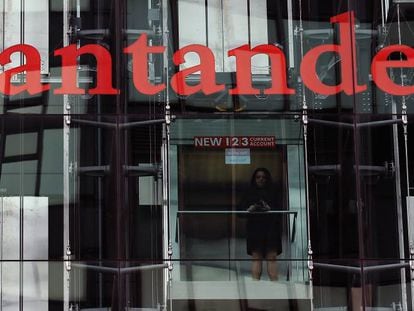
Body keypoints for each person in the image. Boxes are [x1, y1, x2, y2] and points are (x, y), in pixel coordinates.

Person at [239, 168, 282, 281]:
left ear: (267, 179)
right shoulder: (249, 192)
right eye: (258, 177)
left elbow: (281, 211)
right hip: (255, 229)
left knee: (271, 257)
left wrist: (270, 209)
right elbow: (240, 212)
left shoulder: (274, 192)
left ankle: (274, 287)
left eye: (263, 177)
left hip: (271, 229)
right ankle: (256, 288)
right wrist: (249, 209)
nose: (261, 179)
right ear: (254, 179)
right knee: (256, 258)